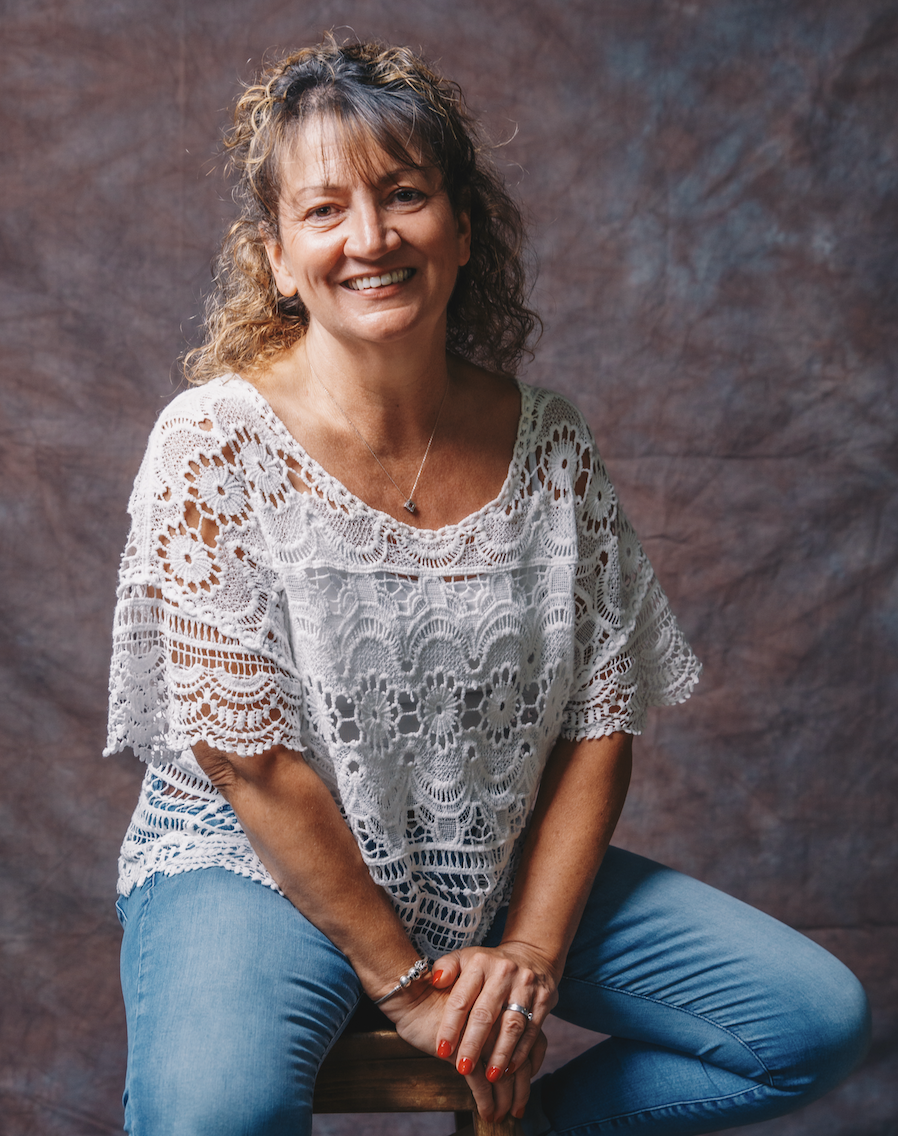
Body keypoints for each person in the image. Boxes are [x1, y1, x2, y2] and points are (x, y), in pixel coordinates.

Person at [105, 37, 870, 1136]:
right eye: (324, 212)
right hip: (258, 866)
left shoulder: (549, 443)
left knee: (810, 1020)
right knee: (215, 1114)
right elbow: (248, 759)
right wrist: (409, 988)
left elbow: (601, 719)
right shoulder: (213, 444)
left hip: (485, 857)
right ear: (276, 257)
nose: (369, 238)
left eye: (403, 195)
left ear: (461, 229)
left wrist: (530, 956)